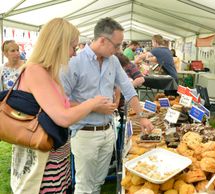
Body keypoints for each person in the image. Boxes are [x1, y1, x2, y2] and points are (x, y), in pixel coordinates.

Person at [10, 18, 106, 194]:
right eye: (73, 47)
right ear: (58, 44)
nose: (74, 53)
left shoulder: (47, 72)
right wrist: (92, 104)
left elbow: (61, 105)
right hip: (42, 161)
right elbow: (63, 117)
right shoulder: (35, 71)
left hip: (53, 156)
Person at [60, 17, 153, 194]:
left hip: (108, 131)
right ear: (102, 40)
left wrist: (142, 118)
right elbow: (61, 101)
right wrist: (93, 106)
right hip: (85, 133)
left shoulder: (113, 61)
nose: (119, 49)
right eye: (117, 45)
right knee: (84, 186)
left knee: (98, 183)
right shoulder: (74, 63)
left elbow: (128, 89)